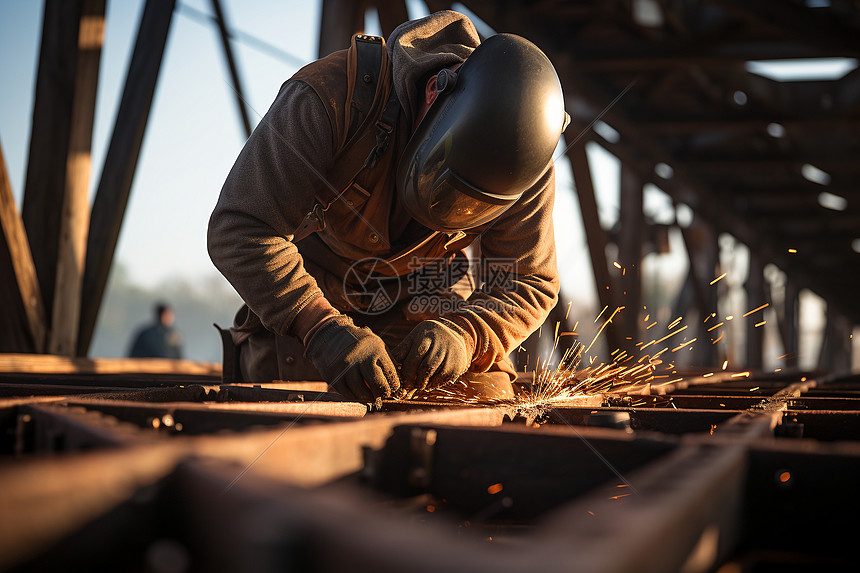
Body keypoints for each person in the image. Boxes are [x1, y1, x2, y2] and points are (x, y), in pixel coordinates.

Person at [208, 11, 568, 403]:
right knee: (284, 401)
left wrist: (465, 335)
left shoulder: (525, 162)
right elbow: (241, 227)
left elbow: (528, 281)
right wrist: (318, 325)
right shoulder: (329, 97)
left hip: (430, 293)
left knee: (481, 399)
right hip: (319, 288)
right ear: (434, 91)